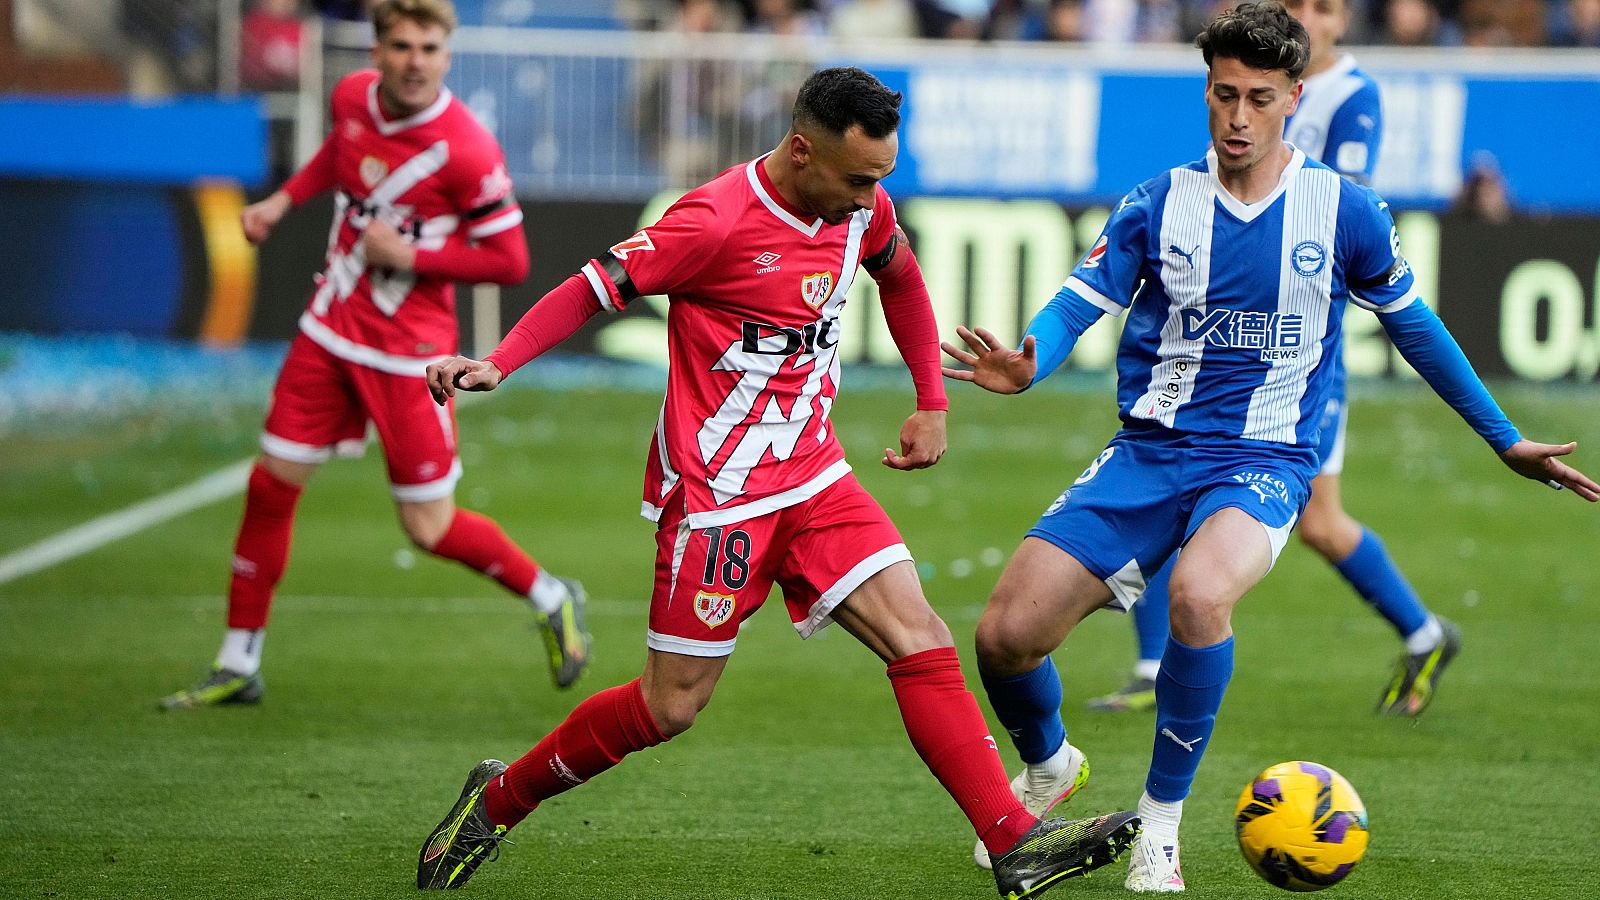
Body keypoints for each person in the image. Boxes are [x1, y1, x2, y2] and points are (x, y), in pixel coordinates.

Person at [413, 66, 1139, 897]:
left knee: (921, 636)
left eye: (883, 179)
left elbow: (897, 276)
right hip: (718, 498)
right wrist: (498, 364)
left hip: (816, 478)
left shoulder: (864, 207)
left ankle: (1014, 841)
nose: (872, 199)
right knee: (669, 706)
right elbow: (591, 288)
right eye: (860, 179)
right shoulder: (715, 220)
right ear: (802, 151)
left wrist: (932, 401)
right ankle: (496, 801)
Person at [942, 3, 1598, 892]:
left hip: (1263, 461)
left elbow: (1420, 331)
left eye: (1258, 98)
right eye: (1223, 96)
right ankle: (1052, 764)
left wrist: (1505, 438)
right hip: (1149, 452)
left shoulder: (1344, 212)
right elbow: (1075, 301)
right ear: (1206, 93)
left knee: (1202, 598)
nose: (1239, 118)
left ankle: (1159, 829)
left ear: (1295, 96)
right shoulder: (1157, 204)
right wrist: (1031, 359)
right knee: (1004, 638)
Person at [160, 0, 591, 710]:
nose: (415, 60)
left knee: (428, 526)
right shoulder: (351, 97)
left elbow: (511, 260)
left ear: (446, 56)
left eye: (429, 46)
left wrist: (414, 252)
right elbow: (340, 151)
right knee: (271, 485)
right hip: (329, 330)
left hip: (409, 358)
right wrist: (282, 202)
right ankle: (238, 661)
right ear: (377, 51)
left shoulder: (467, 149)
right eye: (400, 45)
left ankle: (550, 594)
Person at [1092, 0, 1460, 720]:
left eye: (1322, 7)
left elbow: (1349, 205)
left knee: (1316, 521)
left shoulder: (1352, 95)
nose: (1309, 18)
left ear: (1339, 22)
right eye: (1297, 5)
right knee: (1177, 480)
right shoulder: (1246, 80)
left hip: (1298, 355)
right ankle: (1151, 661)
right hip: (1231, 349)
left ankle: (1423, 631)